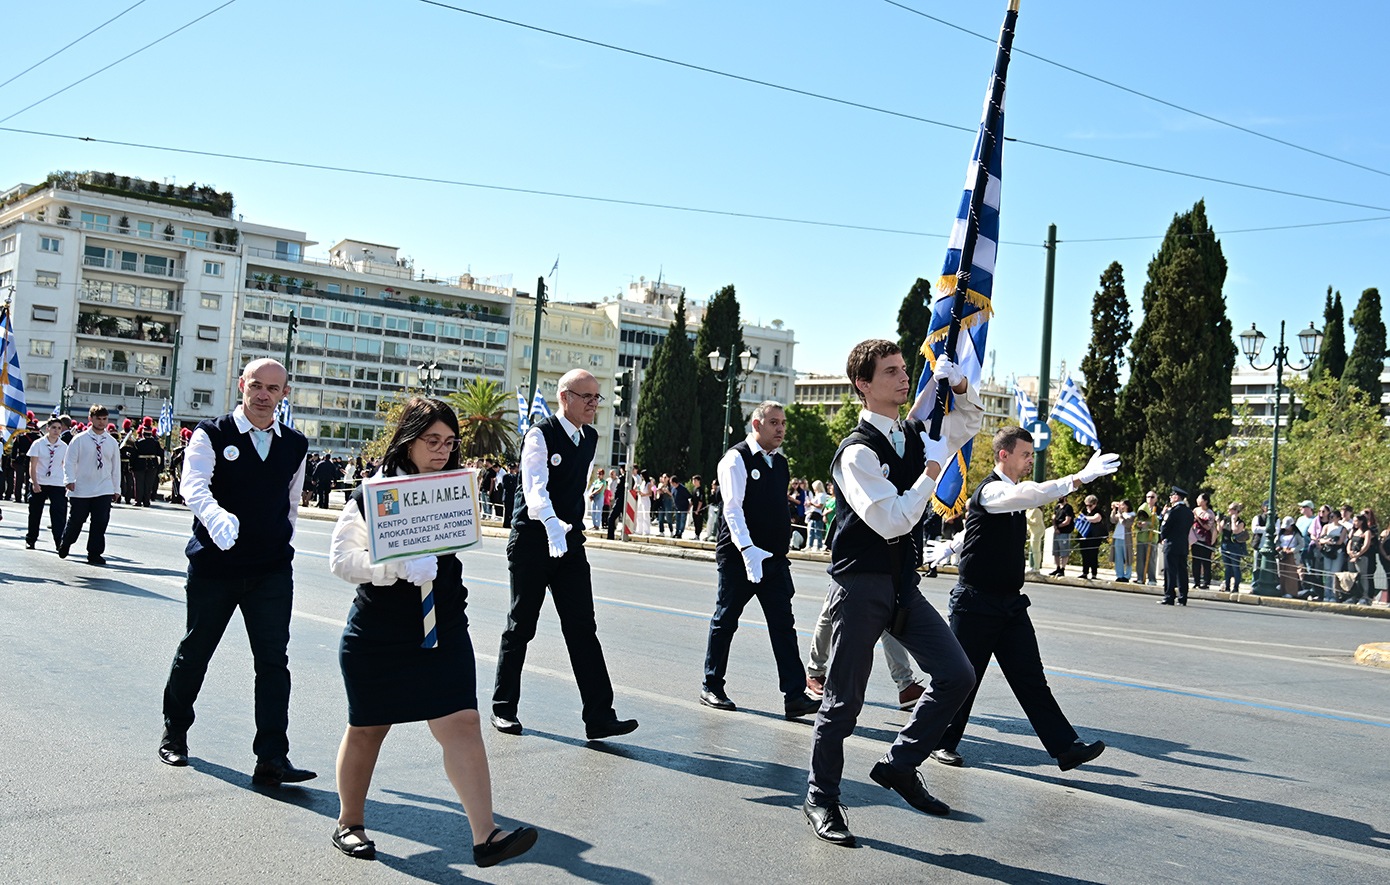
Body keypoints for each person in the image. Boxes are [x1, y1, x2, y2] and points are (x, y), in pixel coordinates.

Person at [326, 397, 538, 867]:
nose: (442, 451)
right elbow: (341, 561)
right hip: (379, 633)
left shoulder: (452, 491)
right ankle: (350, 823)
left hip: (443, 628)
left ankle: (487, 836)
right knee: (367, 728)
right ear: (409, 440)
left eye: (449, 442)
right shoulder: (374, 493)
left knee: (462, 722)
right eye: (432, 441)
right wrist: (393, 564)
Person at [803, 341, 982, 847]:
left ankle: (900, 764)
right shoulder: (856, 452)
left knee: (957, 674)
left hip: (902, 584)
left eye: (905, 370)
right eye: (891, 372)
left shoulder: (910, 433)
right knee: (843, 704)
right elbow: (891, 521)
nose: (904, 379)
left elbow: (967, 426)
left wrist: (961, 386)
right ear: (863, 383)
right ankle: (821, 797)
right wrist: (930, 473)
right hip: (860, 584)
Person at [157, 358, 315, 786]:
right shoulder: (212, 434)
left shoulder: (294, 444)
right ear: (242, 386)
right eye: (257, 386)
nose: (264, 395)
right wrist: (214, 517)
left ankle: (272, 757)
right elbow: (193, 485)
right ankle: (175, 733)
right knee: (196, 650)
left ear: (285, 394)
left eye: (274, 388)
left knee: (273, 662)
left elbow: (291, 502)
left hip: (270, 570)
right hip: (216, 566)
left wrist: (282, 541)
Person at [925, 425, 1118, 772]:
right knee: (963, 677)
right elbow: (1030, 495)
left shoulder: (1007, 495)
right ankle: (940, 741)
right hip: (976, 603)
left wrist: (953, 545)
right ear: (1005, 455)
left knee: (1030, 677)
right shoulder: (993, 491)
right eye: (1026, 454)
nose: (1031, 460)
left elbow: (976, 528)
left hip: (1009, 604)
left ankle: (1066, 747)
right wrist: (1078, 479)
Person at [491, 369, 638, 741]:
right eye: (586, 396)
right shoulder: (540, 435)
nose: (593, 404)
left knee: (582, 628)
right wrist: (552, 524)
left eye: (597, 397)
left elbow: (579, 485)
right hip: (532, 541)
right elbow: (534, 488)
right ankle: (503, 709)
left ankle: (600, 716)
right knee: (521, 624)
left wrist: (570, 525)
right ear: (564, 397)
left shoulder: (589, 437)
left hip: (569, 544)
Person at [699, 401, 821, 720]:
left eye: (783, 423)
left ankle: (795, 695)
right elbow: (732, 509)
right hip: (741, 557)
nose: (780, 429)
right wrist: (747, 548)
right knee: (725, 620)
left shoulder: (779, 463)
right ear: (757, 425)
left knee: (784, 625)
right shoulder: (735, 459)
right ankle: (711, 685)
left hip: (775, 560)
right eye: (774, 423)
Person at [59, 404, 121, 564]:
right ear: (90, 419)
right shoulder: (79, 440)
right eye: (98, 419)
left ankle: (94, 553)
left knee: (100, 521)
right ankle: (66, 542)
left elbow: (116, 467)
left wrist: (116, 488)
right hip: (81, 487)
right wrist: (69, 480)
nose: (101, 422)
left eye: (104, 419)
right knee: (77, 520)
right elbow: (69, 461)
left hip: (104, 487)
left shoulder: (112, 442)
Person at [25, 417, 68, 550]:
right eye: (54, 428)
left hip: (57, 482)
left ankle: (59, 541)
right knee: (35, 512)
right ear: (48, 429)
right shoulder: (38, 444)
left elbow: (65, 465)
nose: (56, 431)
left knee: (58, 513)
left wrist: (67, 482)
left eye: (59, 428)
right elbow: (33, 465)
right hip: (41, 481)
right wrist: (34, 482)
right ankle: (31, 539)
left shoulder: (64, 446)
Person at [1159, 487, 1195, 605]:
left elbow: (1164, 528)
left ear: (1176, 497)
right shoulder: (1189, 512)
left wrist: (1162, 537)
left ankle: (1169, 596)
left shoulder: (1172, 511)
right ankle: (1182, 597)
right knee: (1182, 572)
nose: (1170, 497)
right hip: (1183, 544)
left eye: (1172, 495)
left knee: (1170, 572)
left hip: (1171, 544)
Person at [1346, 513, 1377, 605]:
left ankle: (1365, 596)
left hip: (1362, 557)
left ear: (1362, 521)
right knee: (1353, 577)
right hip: (1352, 556)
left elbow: (1366, 545)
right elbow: (1350, 542)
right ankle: (1354, 596)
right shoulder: (1354, 531)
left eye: (1356, 521)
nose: (1354, 523)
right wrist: (1349, 552)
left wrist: (1358, 554)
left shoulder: (1367, 532)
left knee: (1363, 576)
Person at [1219, 502, 1249, 593]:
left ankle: (1236, 586)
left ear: (1236, 511)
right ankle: (1227, 585)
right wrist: (1218, 522)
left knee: (1235, 567)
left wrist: (1233, 521)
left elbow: (1235, 531)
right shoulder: (1225, 519)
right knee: (1227, 567)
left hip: (1234, 546)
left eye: (1231, 509)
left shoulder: (1240, 522)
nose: (1228, 511)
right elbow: (1220, 531)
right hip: (1225, 544)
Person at [1190, 493, 1217, 589]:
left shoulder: (1210, 513)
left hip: (1205, 540)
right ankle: (1196, 581)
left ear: (1205, 501)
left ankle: (1206, 582)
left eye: (1199, 499)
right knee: (1195, 561)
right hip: (1195, 538)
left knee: (1205, 562)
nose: (1197, 501)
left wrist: (1199, 519)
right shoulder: (1196, 510)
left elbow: (1208, 527)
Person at [1133, 491, 1160, 585]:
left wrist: (1148, 524)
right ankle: (1140, 577)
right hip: (1141, 537)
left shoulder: (1158, 510)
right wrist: (1139, 525)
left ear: (1156, 499)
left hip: (1151, 539)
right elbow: (1136, 522)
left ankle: (1152, 579)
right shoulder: (1142, 508)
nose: (1150, 499)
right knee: (1140, 559)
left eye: (1152, 497)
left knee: (1151, 559)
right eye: (1148, 496)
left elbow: (1158, 524)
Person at [1075, 495, 1104, 580]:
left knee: (1093, 555)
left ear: (1095, 504)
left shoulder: (1098, 511)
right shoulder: (1085, 511)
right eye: (1087, 505)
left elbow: (1096, 519)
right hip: (1084, 536)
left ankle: (1094, 573)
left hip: (1094, 537)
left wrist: (1084, 518)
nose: (1088, 507)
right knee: (1085, 555)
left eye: (1090, 505)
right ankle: (1085, 572)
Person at [1275, 516, 1304, 598]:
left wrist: (1293, 550)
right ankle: (1282, 590)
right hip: (1282, 554)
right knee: (1281, 573)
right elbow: (1276, 541)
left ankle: (1291, 592)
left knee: (1290, 574)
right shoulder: (1281, 533)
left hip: (1292, 555)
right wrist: (1278, 546)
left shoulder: (1296, 534)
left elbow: (1302, 544)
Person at [136, 425, 165, 506]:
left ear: (143, 433)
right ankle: (146, 501)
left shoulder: (138, 443)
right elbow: (161, 454)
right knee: (148, 485)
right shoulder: (155, 443)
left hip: (139, 465)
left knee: (139, 484)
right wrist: (161, 466)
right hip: (152, 466)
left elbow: (134, 455)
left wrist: (131, 466)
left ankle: (138, 501)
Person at [1110, 499, 1135, 582]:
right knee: (1118, 558)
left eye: (1123, 505)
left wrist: (1120, 514)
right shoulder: (1119, 514)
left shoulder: (1131, 514)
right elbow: (1113, 520)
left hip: (1126, 539)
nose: (1121, 507)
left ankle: (1127, 575)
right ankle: (1119, 574)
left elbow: (1126, 523)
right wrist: (1114, 510)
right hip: (1118, 537)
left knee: (1127, 557)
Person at [1050, 494, 1074, 576]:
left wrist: (1059, 527)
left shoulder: (1068, 508)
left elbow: (1067, 521)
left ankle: (1063, 568)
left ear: (1065, 497)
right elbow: (1053, 517)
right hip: (1056, 531)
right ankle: (1057, 567)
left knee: (1064, 551)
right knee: (1056, 551)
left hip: (1064, 532)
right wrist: (1055, 527)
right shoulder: (1057, 507)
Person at [806, 479, 827, 550]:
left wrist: (812, 503)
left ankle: (819, 546)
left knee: (817, 531)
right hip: (813, 514)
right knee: (811, 531)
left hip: (818, 514)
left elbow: (820, 506)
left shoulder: (822, 495)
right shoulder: (817, 495)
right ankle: (809, 545)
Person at [689, 474, 707, 540]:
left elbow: (701, 501)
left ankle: (698, 535)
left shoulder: (701, 490)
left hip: (699, 509)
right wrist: (689, 508)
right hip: (694, 508)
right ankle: (696, 534)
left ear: (698, 481)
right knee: (695, 521)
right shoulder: (694, 489)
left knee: (699, 522)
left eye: (695, 480)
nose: (693, 481)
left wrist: (698, 510)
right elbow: (692, 500)